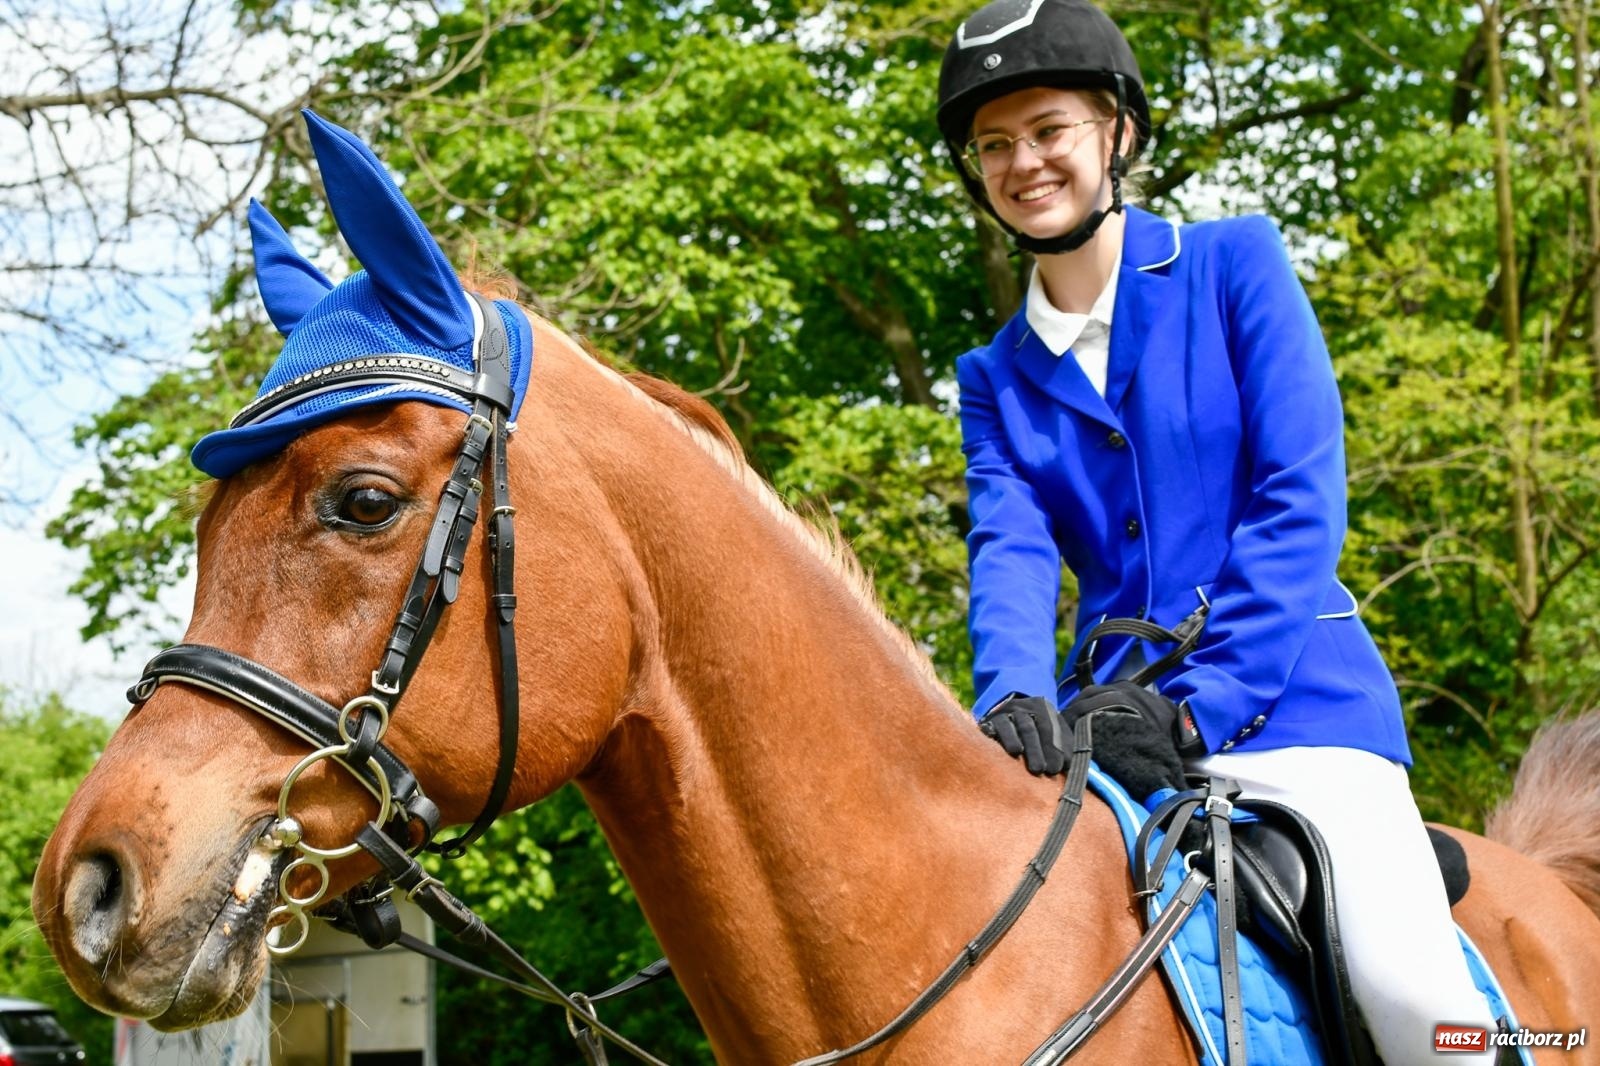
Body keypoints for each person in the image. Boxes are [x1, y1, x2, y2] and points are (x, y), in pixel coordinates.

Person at [938, 1, 1500, 1062]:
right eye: (994, 145)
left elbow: (1299, 495)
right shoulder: (992, 379)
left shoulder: (1235, 264)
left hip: (1295, 705)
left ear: (1117, 132)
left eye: (1049, 129)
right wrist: (1010, 696)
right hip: (1110, 738)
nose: (1024, 163)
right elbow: (1008, 550)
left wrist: (1200, 708)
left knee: (1416, 998)